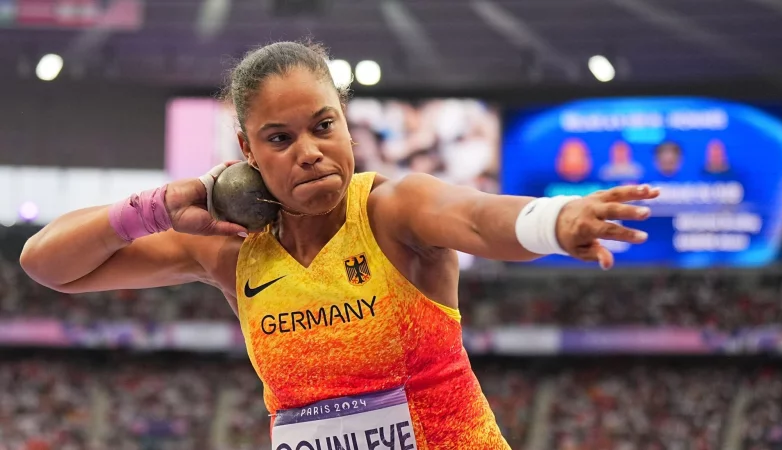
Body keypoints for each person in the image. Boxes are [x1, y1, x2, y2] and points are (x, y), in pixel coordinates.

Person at [19, 41, 658, 449]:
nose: (311, 152)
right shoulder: (231, 248)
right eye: (279, 138)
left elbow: (481, 219)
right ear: (246, 152)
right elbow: (47, 264)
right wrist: (152, 209)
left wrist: (558, 221)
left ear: (345, 121)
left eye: (325, 126)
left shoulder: (393, 211)